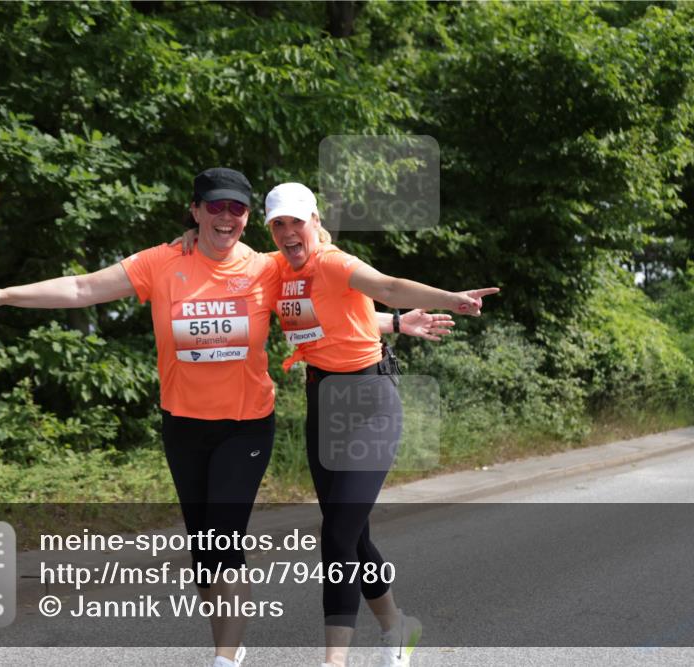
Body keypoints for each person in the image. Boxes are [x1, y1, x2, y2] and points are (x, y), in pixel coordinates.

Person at [0, 168, 454, 667]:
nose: (226, 216)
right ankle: (393, 625)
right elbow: (81, 289)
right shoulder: (163, 263)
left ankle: (230, 658)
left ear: (248, 217)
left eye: (237, 208)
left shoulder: (266, 268)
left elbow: (324, 303)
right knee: (211, 551)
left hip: (248, 424)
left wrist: (394, 321)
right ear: (195, 212)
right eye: (215, 207)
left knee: (259, 537)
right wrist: (2, 295)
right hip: (183, 425)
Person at [180, 182, 499, 667]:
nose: (288, 233)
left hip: (369, 403)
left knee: (336, 535)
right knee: (353, 533)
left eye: (296, 222)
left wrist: (449, 298)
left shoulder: (333, 261)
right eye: (278, 224)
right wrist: (187, 239)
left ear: (315, 221)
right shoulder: (278, 271)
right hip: (322, 404)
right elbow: (330, 316)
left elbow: (386, 287)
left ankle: (335, 661)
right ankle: (397, 627)